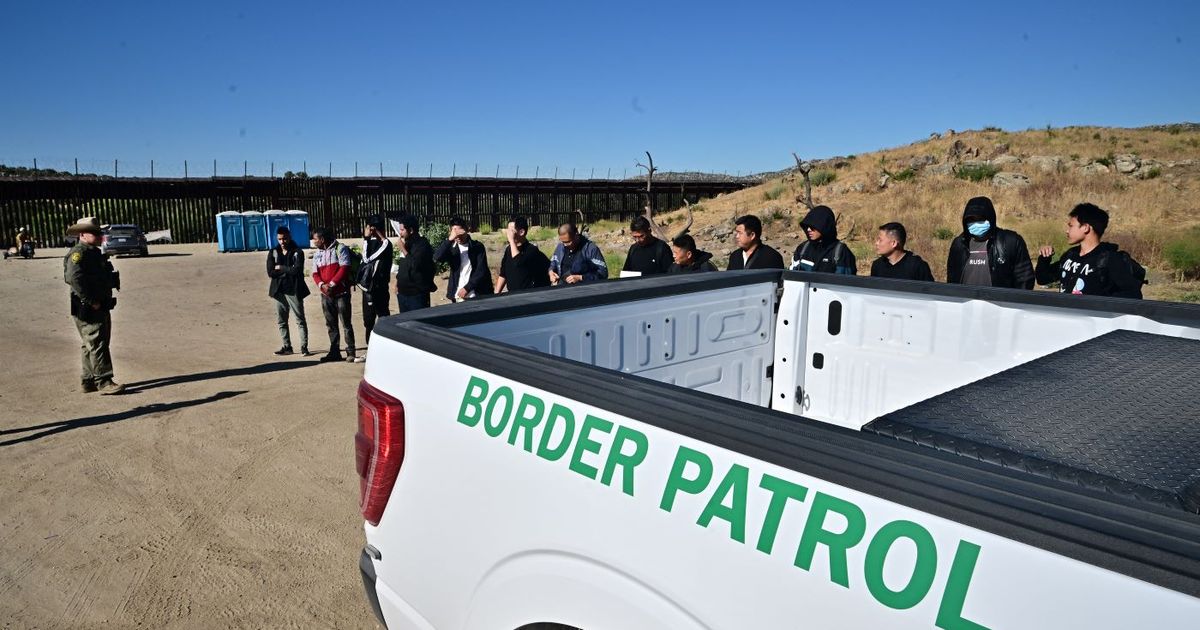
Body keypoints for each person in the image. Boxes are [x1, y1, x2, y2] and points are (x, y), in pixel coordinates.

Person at [63, 217, 123, 394]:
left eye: (100, 232)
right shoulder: (79, 253)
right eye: (95, 232)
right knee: (97, 343)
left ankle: (88, 380)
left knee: (90, 343)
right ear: (82, 234)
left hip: (98, 304)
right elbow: (73, 278)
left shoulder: (92, 252)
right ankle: (104, 381)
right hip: (89, 307)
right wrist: (91, 300)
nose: (100, 235)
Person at [1035, 203, 1145, 299]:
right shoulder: (1071, 255)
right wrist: (1044, 258)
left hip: (1092, 321)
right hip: (1067, 318)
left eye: (1071, 226)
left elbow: (1133, 295)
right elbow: (1042, 279)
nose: (1067, 230)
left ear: (1086, 228)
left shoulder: (1110, 260)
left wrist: (1101, 305)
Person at [946, 196, 1035, 289]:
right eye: (971, 220)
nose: (976, 223)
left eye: (981, 219)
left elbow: (1025, 280)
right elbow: (952, 279)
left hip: (998, 303)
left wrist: (1013, 302)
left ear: (991, 218)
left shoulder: (1011, 242)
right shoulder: (959, 244)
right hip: (965, 302)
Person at [311, 227, 356, 363]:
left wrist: (331, 284)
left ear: (322, 239)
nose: (314, 242)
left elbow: (344, 267)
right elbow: (314, 273)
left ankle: (350, 351)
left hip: (341, 293)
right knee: (331, 324)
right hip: (326, 295)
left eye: (315, 239)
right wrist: (322, 286)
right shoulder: (317, 254)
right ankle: (334, 352)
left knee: (346, 323)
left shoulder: (340, 248)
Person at [267, 225, 310, 356]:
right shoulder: (273, 252)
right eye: (280, 239)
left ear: (289, 237)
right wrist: (287, 270)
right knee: (281, 320)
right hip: (279, 291)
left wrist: (281, 267)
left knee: (300, 319)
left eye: (284, 239)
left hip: (294, 290)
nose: (282, 242)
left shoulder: (298, 251)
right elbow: (270, 272)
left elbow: (297, 270)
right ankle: (287, 346)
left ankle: (304, 347)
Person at [433, 216, 494, 302]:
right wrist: (450, 239)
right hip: (457, 293)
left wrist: (467, 288)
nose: (458, 236)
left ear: (466, 230)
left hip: (475, 293)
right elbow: (437, 257)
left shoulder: (477, 247)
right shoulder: (451, 248)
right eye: (455, 233)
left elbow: (481, 270)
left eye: (460, 233)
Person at [790, 205, 857, 274]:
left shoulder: (841, 253)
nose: (808, 229)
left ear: (824, 226)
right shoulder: (802, 249)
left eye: (813, 226)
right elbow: (791, 277)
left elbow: (845, 282)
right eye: (807, 226)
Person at [359, 216, 394, 345]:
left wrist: (374, 236)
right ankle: (369, 347)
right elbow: (365, 257)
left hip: (380, 287)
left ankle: (387, 346)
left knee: (383, 317)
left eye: (370, 227)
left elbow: (368, 258)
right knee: (368, 321)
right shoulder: (368, 242)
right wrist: (367, 239)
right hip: (368, 288)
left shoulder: (386, 244)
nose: (367, 230)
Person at [494, 217, 551, 293]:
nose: (508, 234)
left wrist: (511, 240)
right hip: (512, 294)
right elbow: (503, 273)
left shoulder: (531, 250)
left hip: (529, 295)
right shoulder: (508, 250)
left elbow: (518, 262)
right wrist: (496, 294)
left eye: (511, 231)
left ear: (521, 232)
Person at [393, 214, 436, 312]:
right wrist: (397, 282)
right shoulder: (406, 243)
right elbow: (403, 265)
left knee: (418, 324)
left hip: (416, 294)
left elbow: (415, 265)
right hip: (403, 293)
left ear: (411, 230)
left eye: (403, 230)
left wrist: (403, 249)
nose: (400, 233)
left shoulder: (422, 245)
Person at [870, 222, 934, 281]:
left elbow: (930, 291)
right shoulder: (877, 266)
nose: (876, 243)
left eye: (880, 240)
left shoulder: (917, 266)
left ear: (894, 243)